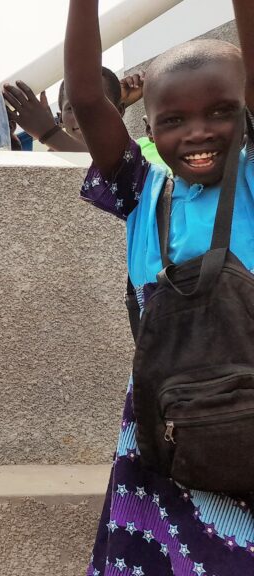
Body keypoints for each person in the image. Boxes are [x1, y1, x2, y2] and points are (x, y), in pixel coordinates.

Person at [65, 0, 254, 573]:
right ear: (148, 129)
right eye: (173, 120)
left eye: (222, 113)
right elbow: (87, 98)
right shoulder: (139, 189)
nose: (198, 132)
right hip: (162, 418)